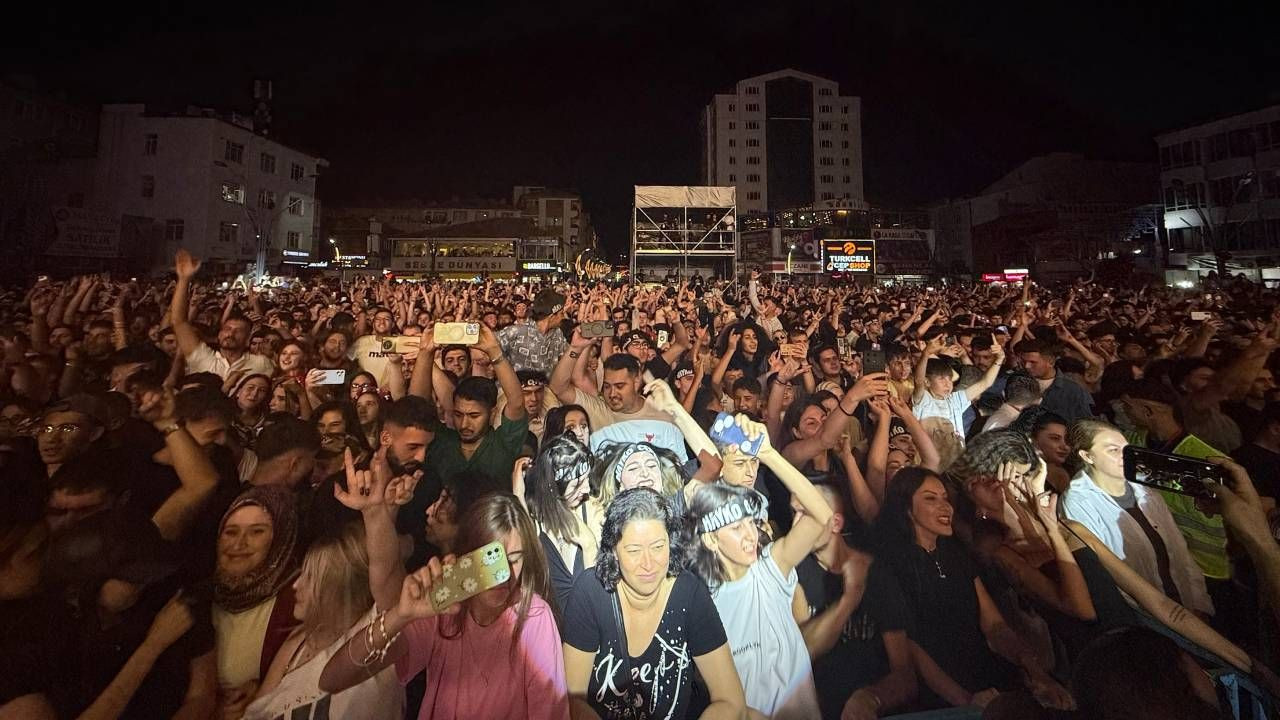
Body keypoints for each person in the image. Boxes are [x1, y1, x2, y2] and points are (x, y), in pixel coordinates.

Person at [319, 492, 569, 720]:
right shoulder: (442, 610)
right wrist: (401, 615)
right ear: (466, 557)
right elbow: (332, 679)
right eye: (491, 561)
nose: (504, 575)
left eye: (514, 559)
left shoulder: (534, 617)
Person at [876, 468, 1074, 712]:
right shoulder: (889, 565)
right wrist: (967, 702)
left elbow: (994, 626)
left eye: (945, 498)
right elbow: (910, 648)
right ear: (906, 508)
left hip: (985, 673)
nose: (945, 507)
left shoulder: (956, 555)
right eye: (930, 498)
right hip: (940, 694)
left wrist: (1035, 672)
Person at [560, 488, 746, 720]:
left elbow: (731, 701)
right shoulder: (590, 593)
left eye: (658, 547)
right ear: (613, 551)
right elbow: (571, 700)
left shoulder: (689, 593)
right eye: (634, 550)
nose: (648, 564)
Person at [685, 418, 827, 718]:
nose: (751, 535)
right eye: (736, 528)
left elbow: (821, 516)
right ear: (710, 540)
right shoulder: (703, 604)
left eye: (751, 523)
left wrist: (769, 454)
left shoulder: (771, 569)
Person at [244, 524, 404, 720]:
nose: (295, 585)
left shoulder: (377, 637)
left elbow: (389, 579)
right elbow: (256, 713)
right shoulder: (299, 640)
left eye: (310, 578)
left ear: (340, 589)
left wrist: (378, 513)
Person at [791, 479, 917, 720]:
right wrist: (849, 599)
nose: (795, 523)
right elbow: (801, 655)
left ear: (836, 523)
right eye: (793, 512)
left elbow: (905, 675)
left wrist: (871, 698)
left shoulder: (876, 574)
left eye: (804, 514)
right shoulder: (792, 574)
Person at [1060, 419, 1213, 614]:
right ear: (1087, 456)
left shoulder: (1144, 489)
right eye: (1113, 450)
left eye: (1127, 449)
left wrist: (1199, 605)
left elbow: (1179, 548)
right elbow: (1105, 573)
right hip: (1143, 615)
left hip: (1182, 604)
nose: (1125, 456)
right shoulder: (1078, 502)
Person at [212, 485, 302, 715]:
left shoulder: (298, 600)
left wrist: (265, 694)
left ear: (280, 540)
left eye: (257, 532)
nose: (238, 544)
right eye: (230, 532)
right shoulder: (199, 597)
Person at [421, 325, 529, 486]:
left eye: (474, 416)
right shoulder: (442, 442)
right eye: (458, 415)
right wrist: (425, 354)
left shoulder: (504, 442)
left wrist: (494, 351)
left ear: (492, 413)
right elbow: (417, 406)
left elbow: (517, 403)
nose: (464, 424)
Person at [550, 335, 687, 460]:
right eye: (607, 386)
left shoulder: (662, 415)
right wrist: (575, 348)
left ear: (637, 381)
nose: (612, 394)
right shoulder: (598, 410)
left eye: (620, 386)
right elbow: (558, 388)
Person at [514, 434, 598, 610]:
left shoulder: (592, 510)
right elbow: (522, 563)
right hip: (549, 630)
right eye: (577, 484)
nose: (587, 489)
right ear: (553, 485)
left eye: (587, 480)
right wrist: (518, 496)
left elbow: (597, 596)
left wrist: (590, 545)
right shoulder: (534, 520)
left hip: (586, 628)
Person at [170, 250, 275, 380]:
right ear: (219, 334)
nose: (230, 334)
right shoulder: (203, 358)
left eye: (238, 331)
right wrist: (184, 279)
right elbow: (179, 322)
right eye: (227, 329)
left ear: (248, 339)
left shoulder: (261, 364)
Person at [1014, 339, 1094, 425]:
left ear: (1051, 362)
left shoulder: (1074, 391)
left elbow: (1085, 424)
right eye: (1024, 362)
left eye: (1033, 362)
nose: (1027, 366)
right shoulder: (1014, 382)